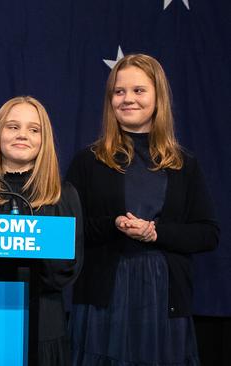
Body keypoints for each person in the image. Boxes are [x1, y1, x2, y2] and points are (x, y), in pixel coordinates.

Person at [68, 54, 219, 365]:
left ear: (157, 97)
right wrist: (113, 224)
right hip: (103, 302)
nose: (128, 99)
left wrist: (155, 233)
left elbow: (207, 233)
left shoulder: (184, 164)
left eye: (139, 90)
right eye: (119, 92)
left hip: (164, 302)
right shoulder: (88, 161)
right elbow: (68, 229)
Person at [0, 96, 83, 366]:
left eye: (33, 129)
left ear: (43, 139)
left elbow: (67, 269)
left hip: (43, 329)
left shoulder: (62, 195)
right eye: (13, 127)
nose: (22, 135)